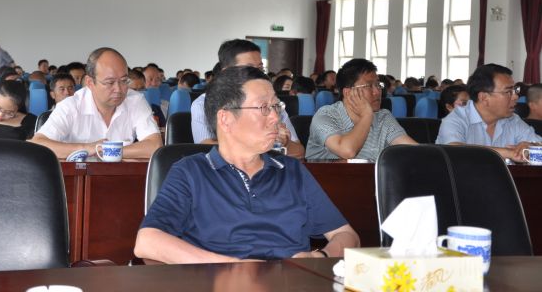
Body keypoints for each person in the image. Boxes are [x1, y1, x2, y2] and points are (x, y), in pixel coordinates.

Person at [134, 66, 360, 263]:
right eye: (263, 108)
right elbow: (147, 242)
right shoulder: (191, 172)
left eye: (276, 107)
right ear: (225, 119)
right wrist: (232, 267)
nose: (276, 118)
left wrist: (320, 257)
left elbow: (347, 236)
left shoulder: (291, 170)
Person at [30, 48, 162, 159]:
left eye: (124, 81)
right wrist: (87, 148)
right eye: (110, 82)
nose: (119, 89)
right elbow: (38, 143)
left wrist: (106, 151)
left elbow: (154, 146)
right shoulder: (71, 106)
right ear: (90, 83)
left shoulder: (135, 100)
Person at [191, 39, 304, 159]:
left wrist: (285, 143)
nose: (257, 74)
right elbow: (205, 148)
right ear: (227, 72)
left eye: (260, 69)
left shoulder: (273, 104)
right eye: (248, 68)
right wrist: (263, 141)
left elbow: (299, 151)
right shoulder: (203, 104)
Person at [305, 59, 417, 161]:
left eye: (378, 85)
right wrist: (367, 115)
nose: (377, 91)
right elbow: (347, 151)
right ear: (348, 93)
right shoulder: (325, 116)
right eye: (369, 86)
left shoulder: (383, 117)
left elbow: (414, 151)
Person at [436, 63, 542, 162]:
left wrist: (531, 147)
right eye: (508, 92)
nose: (515, 97)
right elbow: (454, 151)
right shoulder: (456, 119)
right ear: (484, 97)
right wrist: (509, 153)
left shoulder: (512, 120)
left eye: (515, 90)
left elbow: (538, 146)